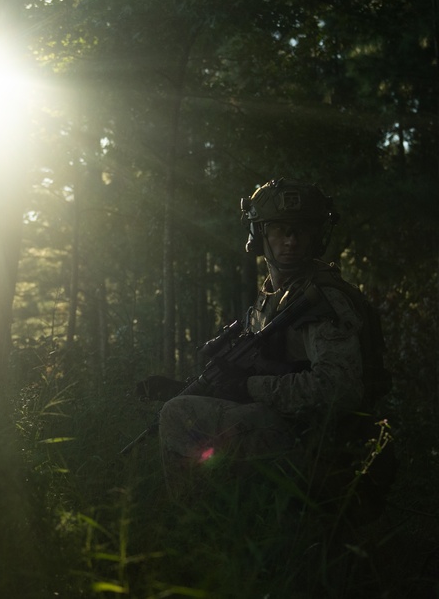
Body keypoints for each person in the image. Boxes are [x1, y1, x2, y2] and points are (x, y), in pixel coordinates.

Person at [158, 178, 372, 499]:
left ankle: (193, 528)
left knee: (176, 416)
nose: (291, 240)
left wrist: (248, 387)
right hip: (295, 430)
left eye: (301, 230)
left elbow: (338, 389)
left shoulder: (320, 299)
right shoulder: (278, 294)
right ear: (260, 235)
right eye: (278, 230)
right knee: (180, 405)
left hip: (321, 444)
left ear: (317, 236)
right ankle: (233, 520)